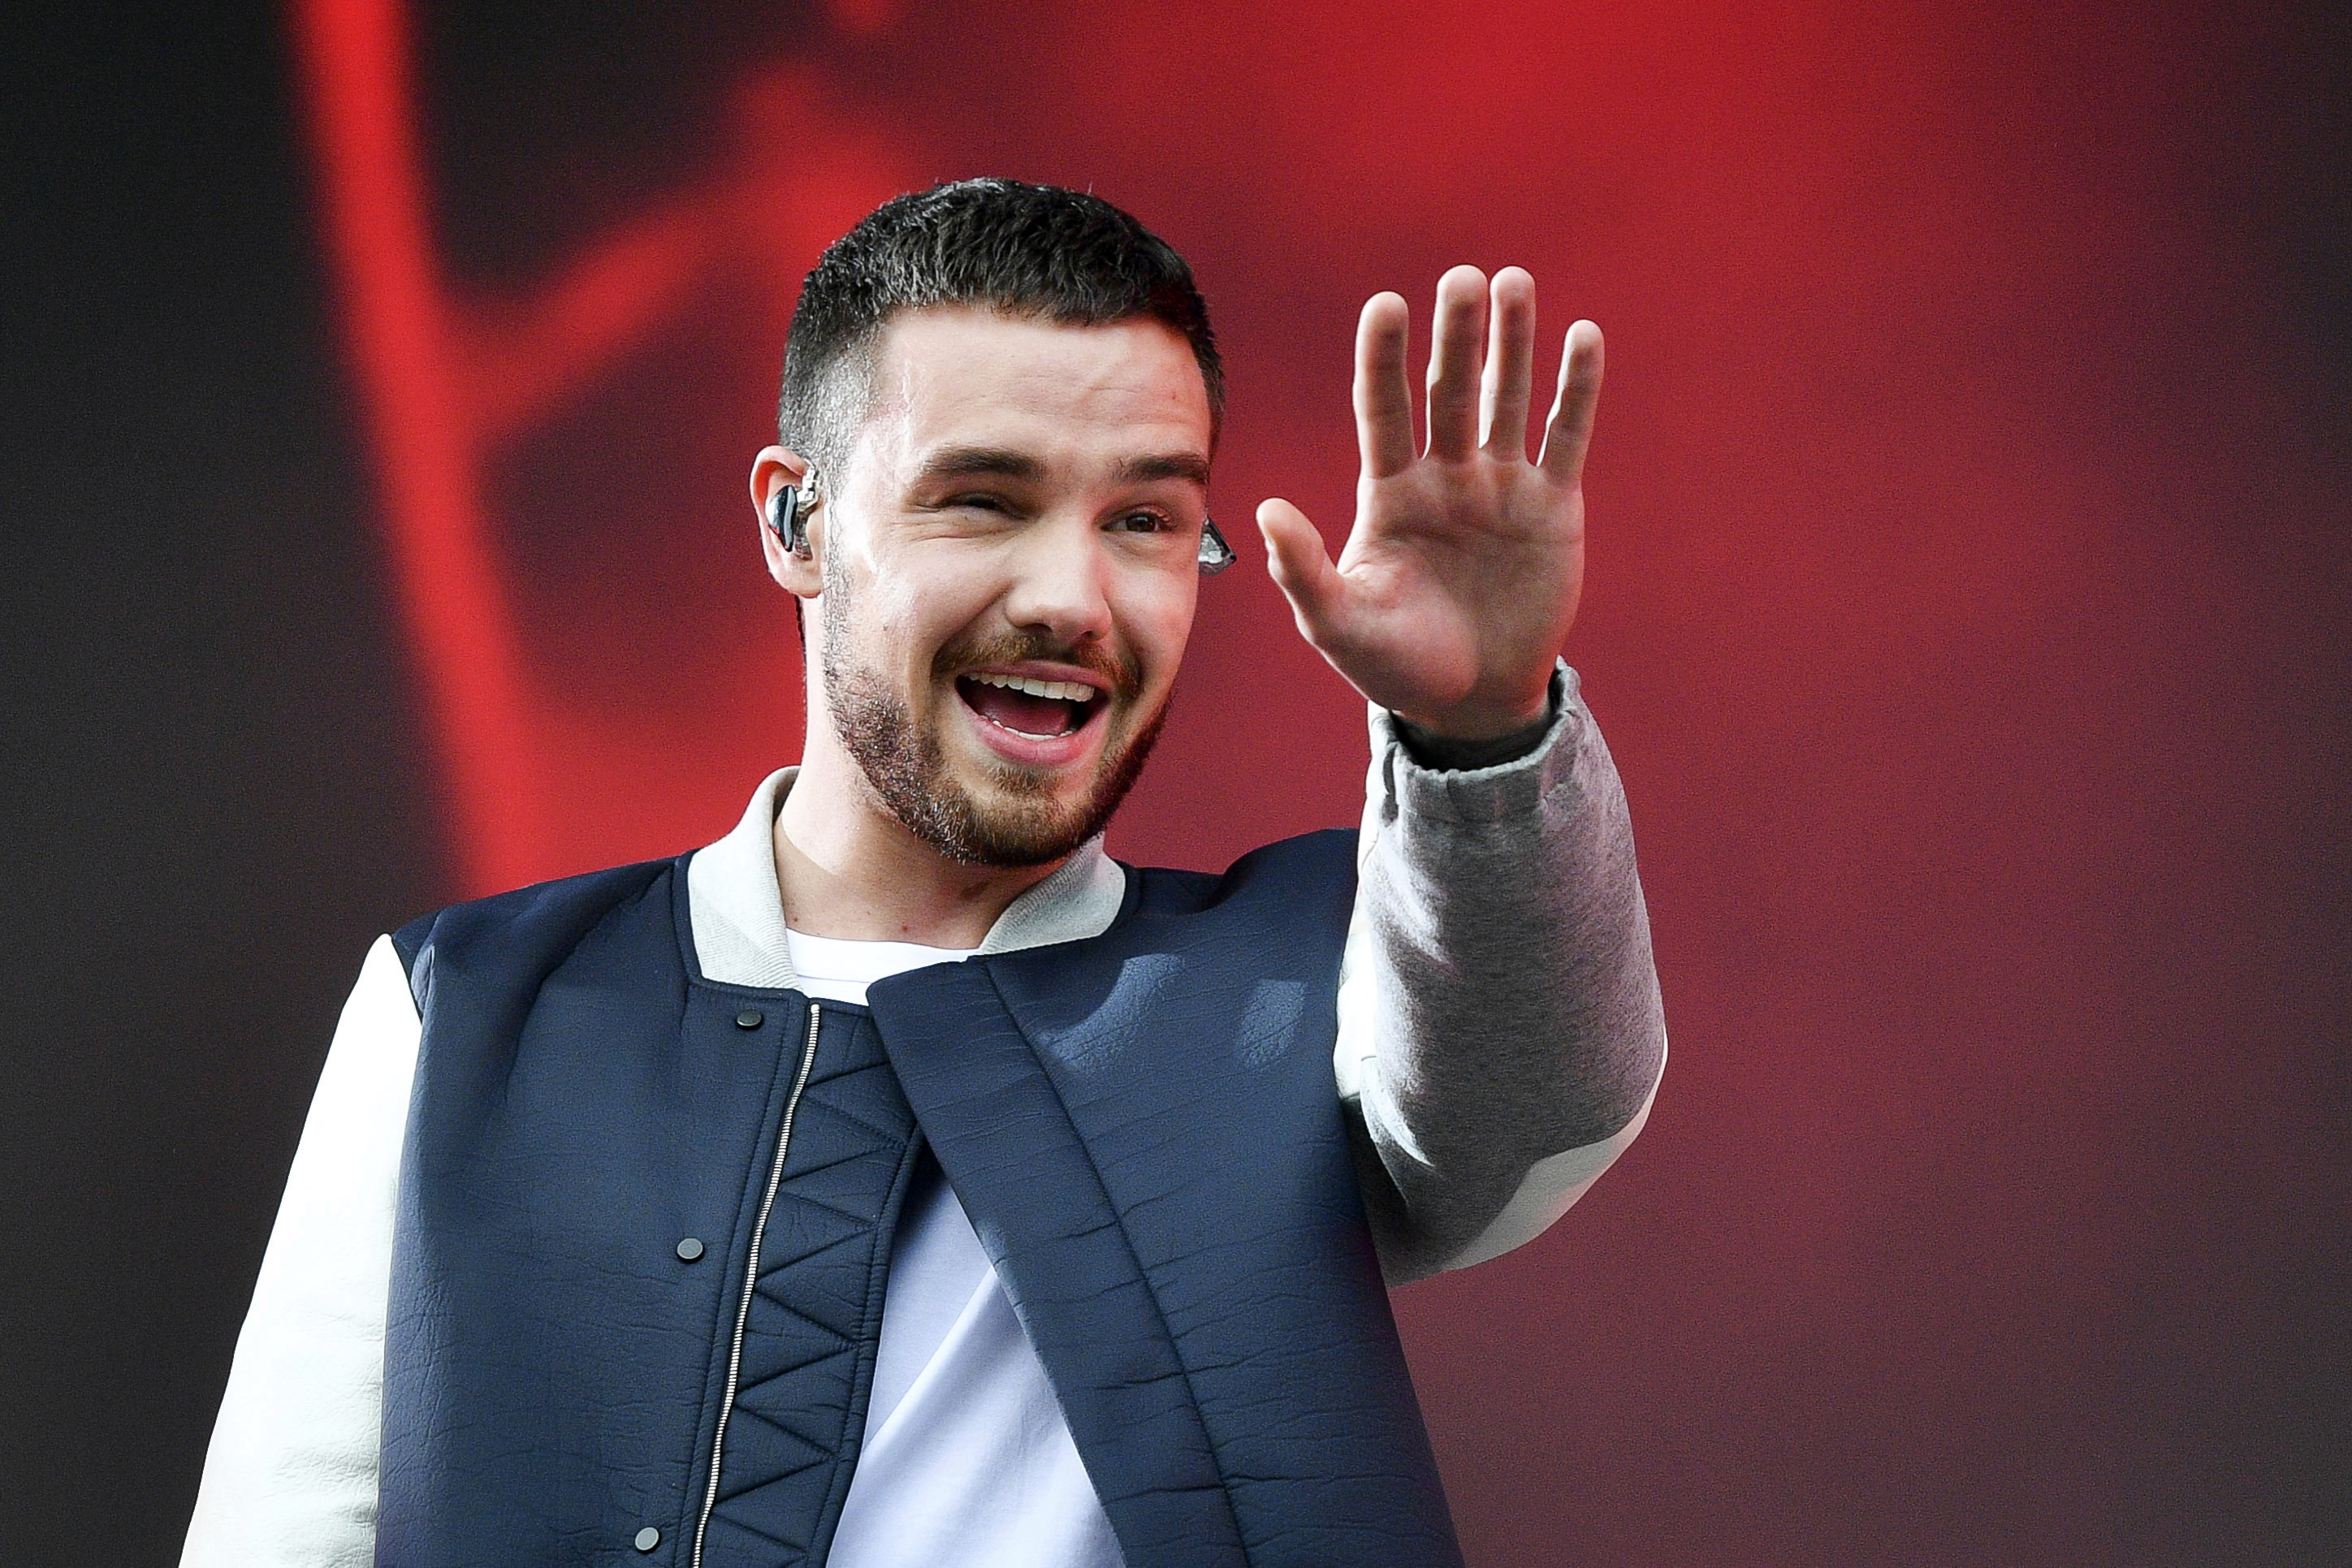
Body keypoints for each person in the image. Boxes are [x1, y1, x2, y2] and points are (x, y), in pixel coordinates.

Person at [183, 179, 1666, 1568]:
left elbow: (1536, 1113)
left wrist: (1482, 727)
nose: (1072, 598)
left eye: (1144, 519)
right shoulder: (462, 1008)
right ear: (794, 520)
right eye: (984, 500)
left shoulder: (1304, 982)